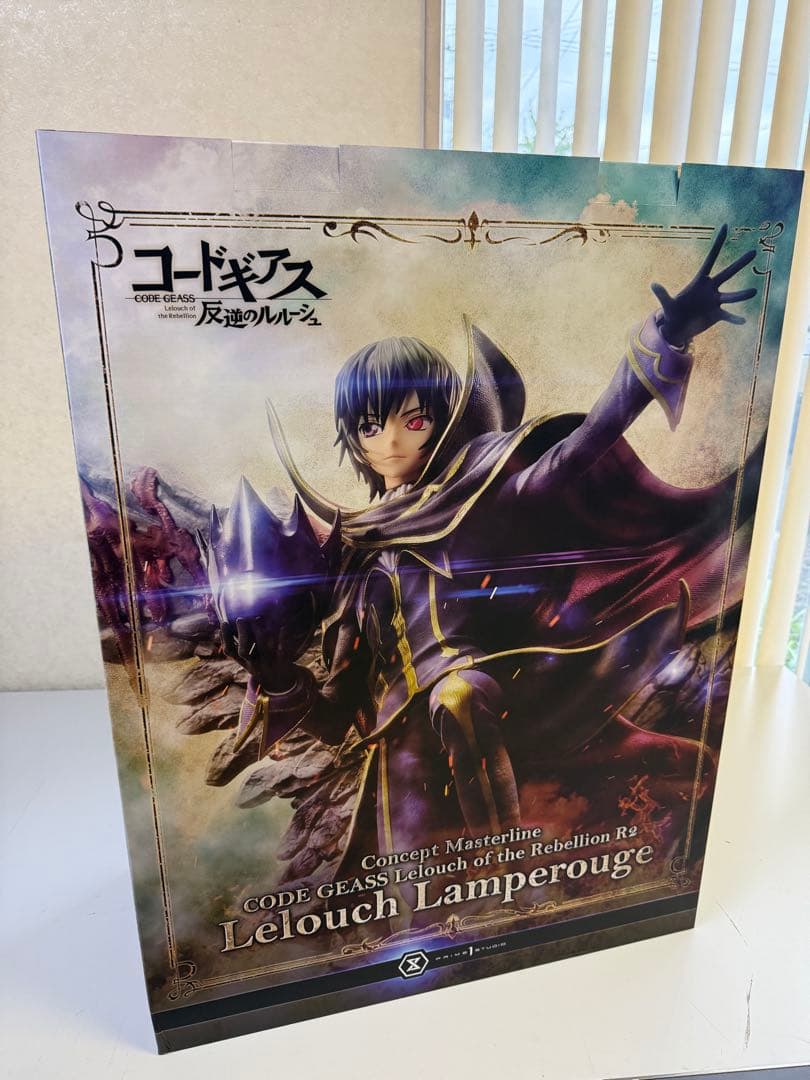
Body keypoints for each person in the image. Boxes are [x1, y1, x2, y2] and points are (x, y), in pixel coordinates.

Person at [207, 225, 759, 868]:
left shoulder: (483, 492)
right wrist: (277, 680)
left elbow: (581, 446)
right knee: (408, 898)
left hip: (510, 700)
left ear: (441, 418)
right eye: (370, 426)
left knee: (463, 696)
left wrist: (665, 336)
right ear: (352, 438)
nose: (391, 441)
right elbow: (337, 717)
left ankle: (504, 860)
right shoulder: (357, 559)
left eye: (413, 419)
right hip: (402, 764)